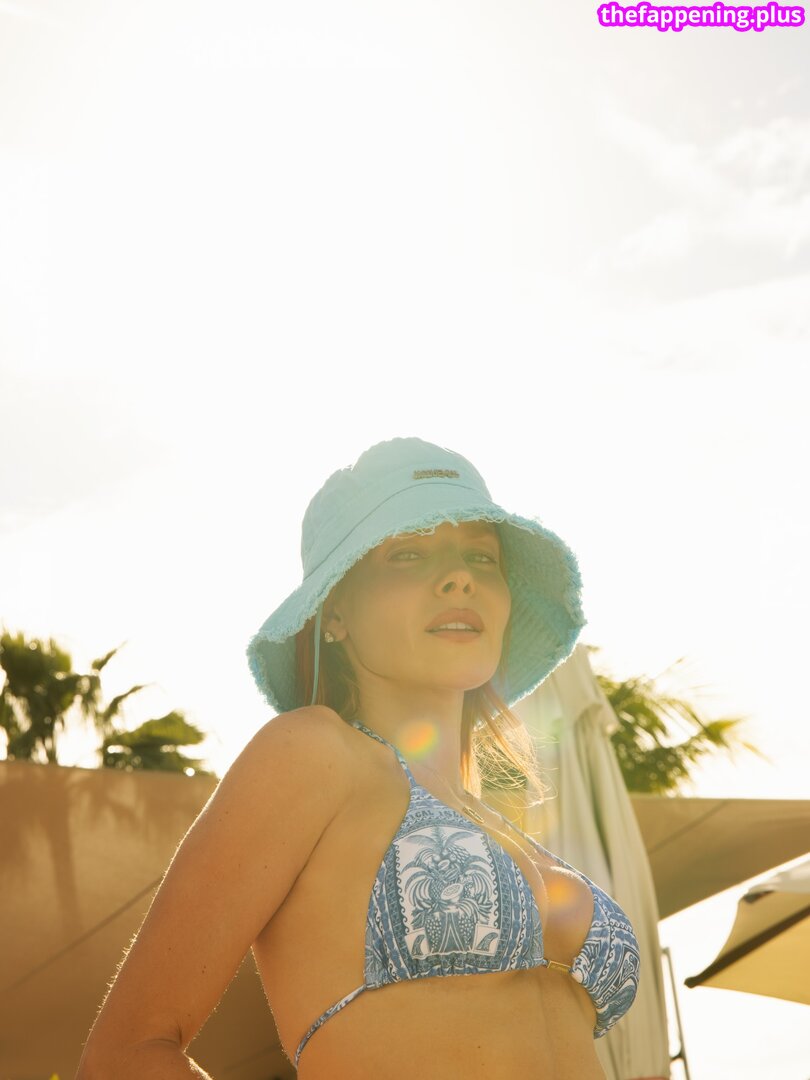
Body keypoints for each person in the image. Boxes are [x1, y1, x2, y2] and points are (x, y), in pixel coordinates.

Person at [76, 436, 640, 1080]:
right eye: (408, 553)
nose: (460, 577)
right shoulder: (311, 753)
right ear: (335, 612)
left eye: (482, 556)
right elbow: (126, 1054)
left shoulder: (496, 821)